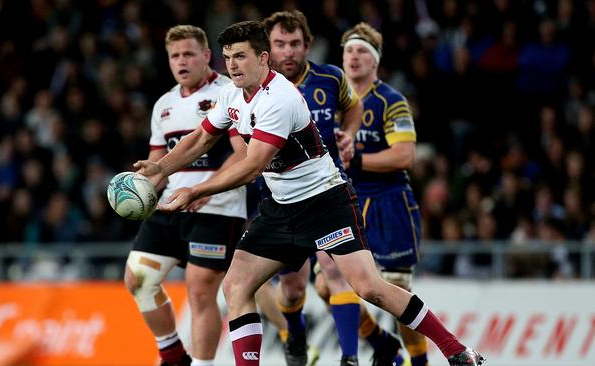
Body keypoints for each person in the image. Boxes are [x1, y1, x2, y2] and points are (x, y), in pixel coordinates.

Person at [134, 20, 485, 366]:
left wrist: (196, 189)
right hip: (281, 206)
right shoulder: (231, 94)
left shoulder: (280, 97)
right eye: (227, 58)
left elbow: (253, 165)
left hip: (324, 202)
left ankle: (456, 350)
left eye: (241, 56)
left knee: (369, 287)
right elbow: (202, 137)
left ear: (263, 58)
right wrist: (161, 168)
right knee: (236, 285)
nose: (232, 65)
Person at [123, 25, 247, 366]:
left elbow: (244, 153)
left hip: (218, 207)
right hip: (172, 205)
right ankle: (173, 354)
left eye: (189, 53)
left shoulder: (228, 92)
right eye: (175, 55)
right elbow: (157, 164)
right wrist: (137, 185)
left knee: (200, 290)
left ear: (207, 56)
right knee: (138, 279)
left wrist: (207, 188)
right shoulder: (163, 105)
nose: (182, 61)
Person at [263, 10, 366, 365]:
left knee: (336, 270)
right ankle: (295, 335)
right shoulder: (257, 89)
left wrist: (348, 134)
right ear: (268, 49)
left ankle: (349, 357)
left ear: (308, 45)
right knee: (292, 288)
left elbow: (354, 108)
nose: (288, 52)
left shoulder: (330, 78)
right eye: (280, 44)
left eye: (295, 44)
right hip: (283, 200)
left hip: (327, 193)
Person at [335, 22, 431, 366]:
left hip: (389, 202)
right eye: (349, 51)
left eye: (362, 51)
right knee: (328, 285)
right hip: (346, 202)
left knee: (396, 290)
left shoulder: (391, 101)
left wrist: (356, 157)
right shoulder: (333, 99)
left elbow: (404, 156)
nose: (354, 57)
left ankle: (419, 361)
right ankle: (382, 344)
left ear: (375, 61)